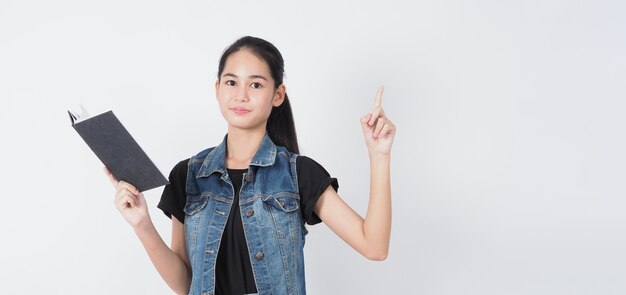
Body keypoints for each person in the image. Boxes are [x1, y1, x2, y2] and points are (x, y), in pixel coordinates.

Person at [104, 35, 396, 295]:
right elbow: (185, 284)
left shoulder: (297, 174)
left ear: (277, 94)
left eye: (256, 84)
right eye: (232, 82)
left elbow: (374, 246)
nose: (241, 95)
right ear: (218, 89)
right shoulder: (188, 175)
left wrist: (379, 155)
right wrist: (142, 224)